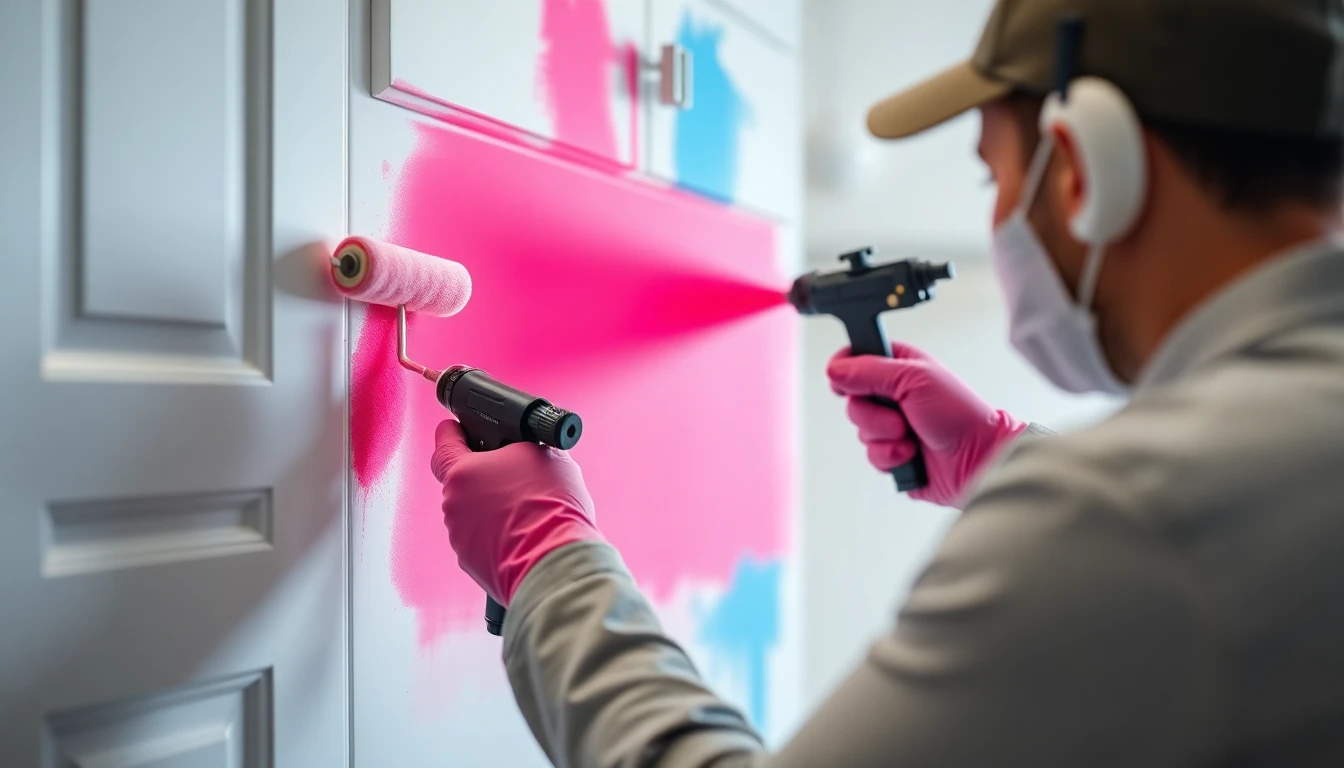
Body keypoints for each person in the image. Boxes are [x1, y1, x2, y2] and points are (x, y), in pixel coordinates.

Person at [429, 0, 1344, 764]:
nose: (997, 215)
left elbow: (1168, 537)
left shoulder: (1126, 516)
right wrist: (1001, 459)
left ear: (1082, 171)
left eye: (996, 173)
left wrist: (548, 565)